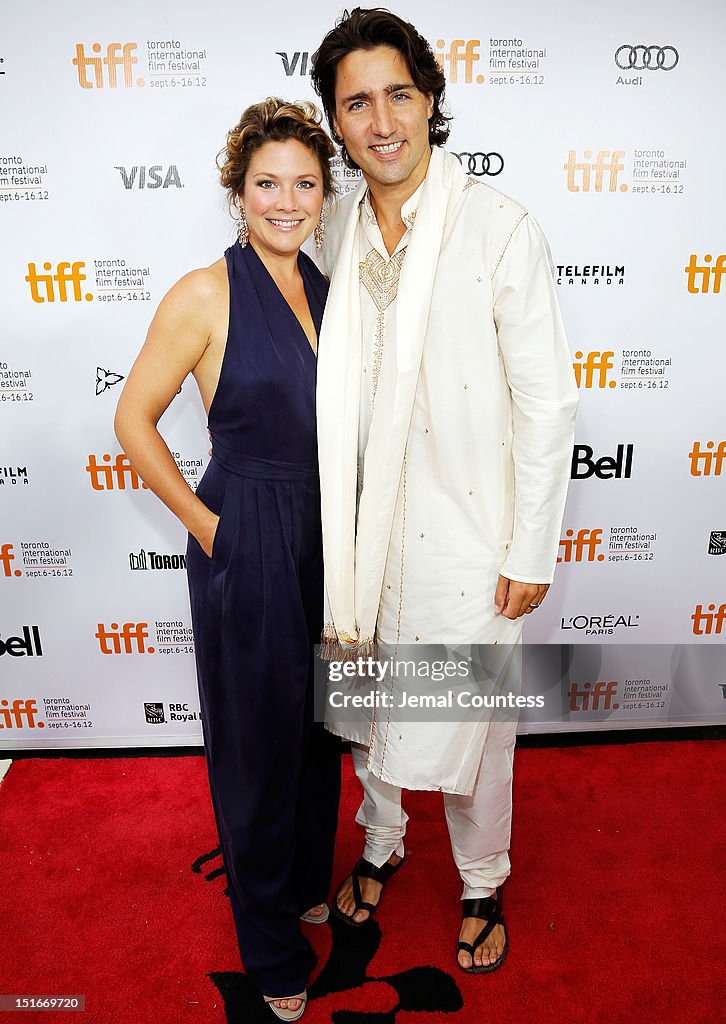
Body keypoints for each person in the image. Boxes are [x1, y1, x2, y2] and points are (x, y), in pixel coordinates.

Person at [310, 9, 578, 973]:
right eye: (356, 103)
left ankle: (482, 877)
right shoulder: (329, 224)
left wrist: (529, 549)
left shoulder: (498, 228)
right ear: (335, 123)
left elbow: (548, 406)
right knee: (369, 708)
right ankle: (380, 845)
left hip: (469, 535)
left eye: (399, 94)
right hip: (361, 534)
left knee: (473, 730)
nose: (381, 121)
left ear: (430, 101)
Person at [114, 98, 340, 1021]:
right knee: (254, 741)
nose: (285, 202)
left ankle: (297, 884)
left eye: (304, 184)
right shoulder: (207, 291)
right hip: (245, 524)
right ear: (237, 193)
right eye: (266, 184)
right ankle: (270, 946)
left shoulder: (333, 291)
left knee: (321, 726)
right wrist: (212, 529)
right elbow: (132, 420)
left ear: (327, 195)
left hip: (329, 533)